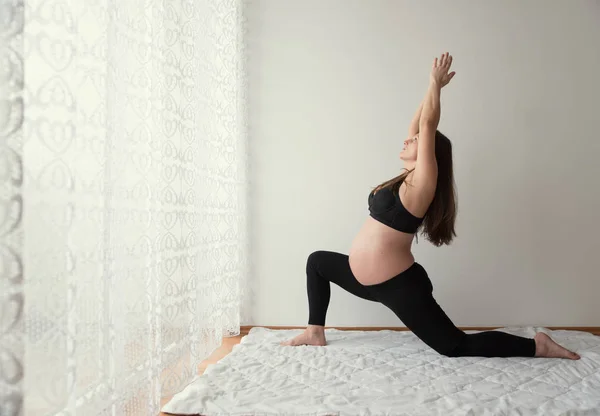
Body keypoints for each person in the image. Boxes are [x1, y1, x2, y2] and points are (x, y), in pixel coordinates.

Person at [281, 52, 580, 360]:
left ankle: (537, 345)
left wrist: (434, 84)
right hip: (365, 280)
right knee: (317, 261)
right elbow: (418, 124)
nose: (407, 140)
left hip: (398, 286)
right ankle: (315, 331)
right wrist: (431, 91)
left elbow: (426, 123)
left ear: (428, 151)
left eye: (417, 141)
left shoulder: (422, 184)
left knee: (454, 346)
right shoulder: (403, 179)